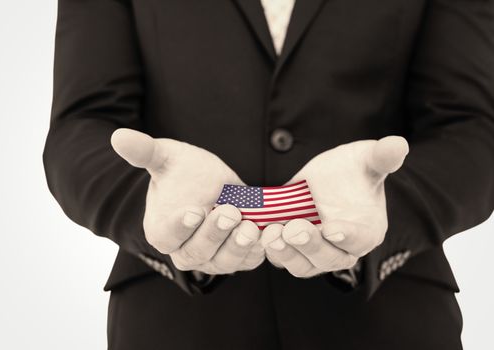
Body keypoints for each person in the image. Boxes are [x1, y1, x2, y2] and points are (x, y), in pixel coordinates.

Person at [42, 0, 494, 349]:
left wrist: (388, 209)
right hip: (175, 322)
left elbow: (473, 132)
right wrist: (146, 204)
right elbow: (80, 127)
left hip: (391, 319)